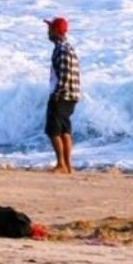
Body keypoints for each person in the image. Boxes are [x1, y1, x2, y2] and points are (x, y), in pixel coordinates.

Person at [44, 16, 80, 174]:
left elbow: (64, 75)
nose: (48, 31)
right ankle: (68, 165)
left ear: (56, 31)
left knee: (54, 131)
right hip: (71, 96)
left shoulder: (61, 49)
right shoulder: (68, 47)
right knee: (65, 130)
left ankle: (61, 164)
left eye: (50, 28)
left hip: (62, 95)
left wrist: (56, 94)